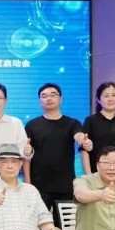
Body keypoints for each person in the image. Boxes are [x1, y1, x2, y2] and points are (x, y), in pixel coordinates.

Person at [24, 83, 90, 214]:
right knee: (39, 223)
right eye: (44, 96)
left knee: (65, 224)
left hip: (65, 185)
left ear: (61, 99)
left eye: (53, 95)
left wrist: (84, 141)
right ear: (40, 102)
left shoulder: (72, 123)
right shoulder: (32, 125)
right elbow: (26, 155)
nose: (49, 98)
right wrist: (27, 181)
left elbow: (79, 136)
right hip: (39, 185)